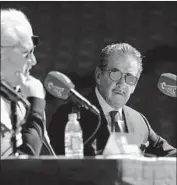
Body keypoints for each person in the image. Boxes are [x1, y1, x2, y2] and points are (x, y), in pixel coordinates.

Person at [48, 43, 176, 157]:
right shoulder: (68, 115)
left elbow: (170, 155)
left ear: (134, 86)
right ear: (98, 76)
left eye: (130, 78)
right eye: (115, 73)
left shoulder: (139, 121)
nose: (122, 83)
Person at [1, 9, 46, 157]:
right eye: (26, 53)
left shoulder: (21, 99)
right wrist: (36, 107)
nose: (33, 61)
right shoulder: (31, 101)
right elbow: (22, 168)